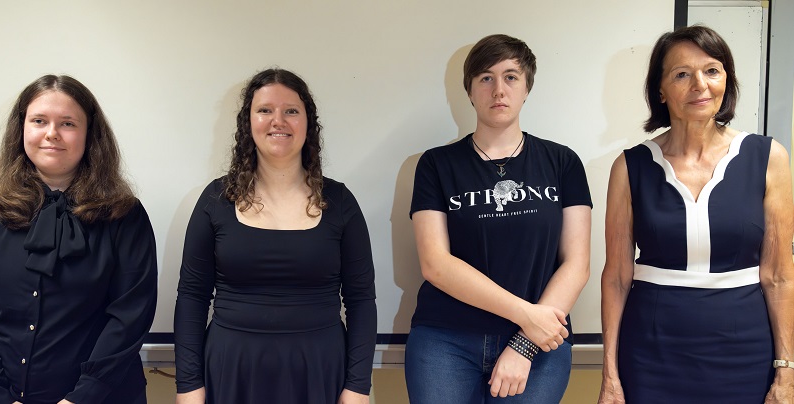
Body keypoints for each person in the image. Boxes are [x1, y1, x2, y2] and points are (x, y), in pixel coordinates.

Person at [599, 25, 794, 403]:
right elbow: (617, 278)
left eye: (712, 71)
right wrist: (609, 376)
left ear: (727, 80)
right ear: (660, 90)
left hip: (746, 353)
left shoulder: (769, 158)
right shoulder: (630, 167)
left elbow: (779, 276)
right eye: (682, 74)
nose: (700, 85)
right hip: (650, 354)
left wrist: (786, 371)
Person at [0, 74, 158, 403]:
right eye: (39, 121)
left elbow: (130, 315)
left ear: (90, 133)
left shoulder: (124, 214)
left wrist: (82, 397)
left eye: (68, 123)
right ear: (21, 129)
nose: (52, 133)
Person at [405, 34, 592, 403]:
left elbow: (577, 264)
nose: (498, 90)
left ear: (527, 88)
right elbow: (436, 264)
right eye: (485, 78)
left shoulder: (562, 162)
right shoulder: (436, 165)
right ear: (470, 91)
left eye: (511, 77)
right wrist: (527, 316)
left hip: (540, 342)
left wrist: (525, 341)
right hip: (446, 339)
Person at [173, 68, 377, 404]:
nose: (277, 121)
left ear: (308, 123)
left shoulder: (340, 202)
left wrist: (357, 387)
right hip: (231, 369)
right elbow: (192, 297)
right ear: (248, 122)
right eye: (265, 110)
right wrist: (188, 385)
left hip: (319, 370)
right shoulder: (215, 200)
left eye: (291, 111)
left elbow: (361, 301)